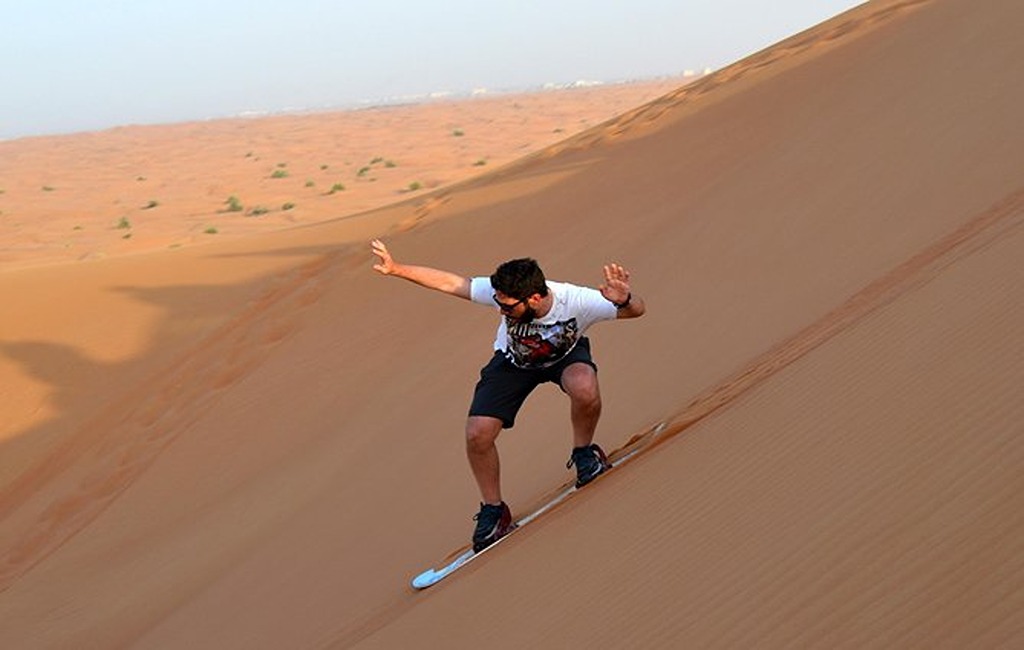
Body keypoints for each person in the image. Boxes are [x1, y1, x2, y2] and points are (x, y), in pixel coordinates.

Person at [371, 239, 646, 552]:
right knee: (477, 434)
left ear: (534, 297)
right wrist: (396, 269)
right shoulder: (503, 293)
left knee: (584, 385)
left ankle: (585, 453)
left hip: (565, 355)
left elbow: (636, 312)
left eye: (508, 306)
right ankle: (494, 509)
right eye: (498, 302)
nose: (501, 309)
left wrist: (625, 300)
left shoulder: (578, 300)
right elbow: (451, 282)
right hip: (513, 363)